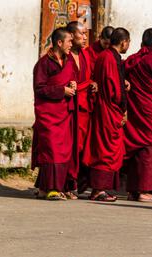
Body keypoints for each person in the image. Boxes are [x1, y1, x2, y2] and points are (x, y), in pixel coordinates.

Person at [82, 28, 132, 202]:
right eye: (128, 42)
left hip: (103, 108)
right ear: (124, 42)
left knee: (103, 147)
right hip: (110, 110)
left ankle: (100, 188)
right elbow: (115, 91)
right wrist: (123, 109)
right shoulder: (111, 58)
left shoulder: (104, 56)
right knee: (106, 150)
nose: (128, 45)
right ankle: (98, 190)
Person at [32, 27, 77, 201]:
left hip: (63, 113)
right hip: (48, 113)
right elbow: (40, 88)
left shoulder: (68, 61)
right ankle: (51, 188)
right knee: (51, 150)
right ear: (59, 42)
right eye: (69, 41)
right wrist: (62, 90)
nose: (71, 45)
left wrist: (72, 85)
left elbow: (70, 78)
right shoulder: (43, 64)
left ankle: (47, 188)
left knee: (62, 151)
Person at [124, 28, 152, 202]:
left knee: (136, 149)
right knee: (150, 150)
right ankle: (146, 191)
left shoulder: (133, 60)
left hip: (135, 109)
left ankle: (133, 190)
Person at [66, 21, 98, 196]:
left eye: (86, 34)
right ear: (71, 35)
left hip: (84, 108)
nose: (85, 37)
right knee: (68, 147)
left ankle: (75, 183)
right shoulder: (64, 55)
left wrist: (93, 83)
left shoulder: (86, 55)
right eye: (82, 34)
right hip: (68, 108)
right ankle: (66, 184)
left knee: (80, 148)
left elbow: (91, 76)